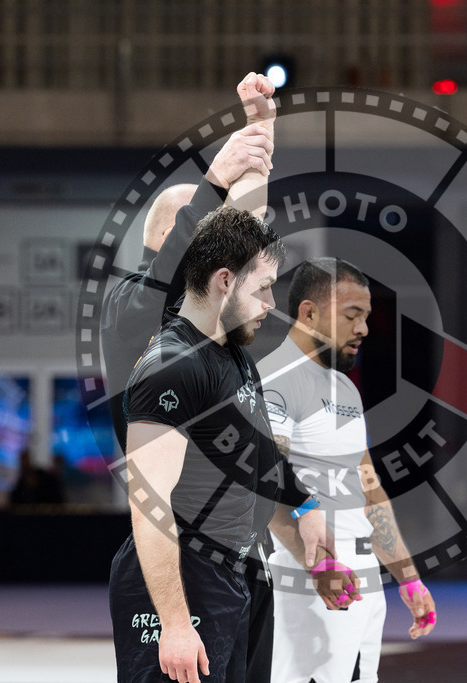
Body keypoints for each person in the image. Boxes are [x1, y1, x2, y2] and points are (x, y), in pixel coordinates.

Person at [104, 74, 347, 683]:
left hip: (235, 565)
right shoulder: (136, 314)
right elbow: (150, 503)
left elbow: (251, 458)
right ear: (180, 248)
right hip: (177, 571)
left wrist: (260, 132)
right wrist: (215, 179)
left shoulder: (223, 348)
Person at [257, 258, 437, 683]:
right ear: (309, 313)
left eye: (366, 317)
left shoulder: (345, 389)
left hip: (362, 581)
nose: (364, 329)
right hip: (311, 581)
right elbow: (265, 484)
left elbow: (369, 489)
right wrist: (317, 566)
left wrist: (408, 579)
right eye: (351, 316)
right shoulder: (277, 379)